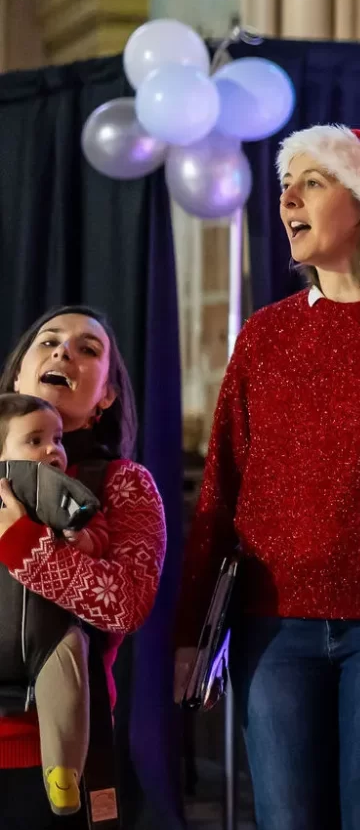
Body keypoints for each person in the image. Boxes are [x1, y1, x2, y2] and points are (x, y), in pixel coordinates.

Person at [175, 125, 360, 830]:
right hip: (275, 626)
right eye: (286, 184)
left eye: (312, 181)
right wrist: (191, 631)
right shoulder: (267, 334)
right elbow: (221, 485)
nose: (287, 199)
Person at [0, 306, 166, 826]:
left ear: (105, 398)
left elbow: (124, 603)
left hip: (56, 759)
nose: (63, 351)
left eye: (87, 349)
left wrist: (22, 544)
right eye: (48, 341)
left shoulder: (124, 485)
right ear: (19, 375)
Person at [0, 395, 103, 817]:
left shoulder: (59, 490)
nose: (51, 450)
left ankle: (62, 773)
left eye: (57, 439)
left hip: (47, 636)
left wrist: (81, 540)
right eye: (35, 439)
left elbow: (94, 536)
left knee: (69, 662)